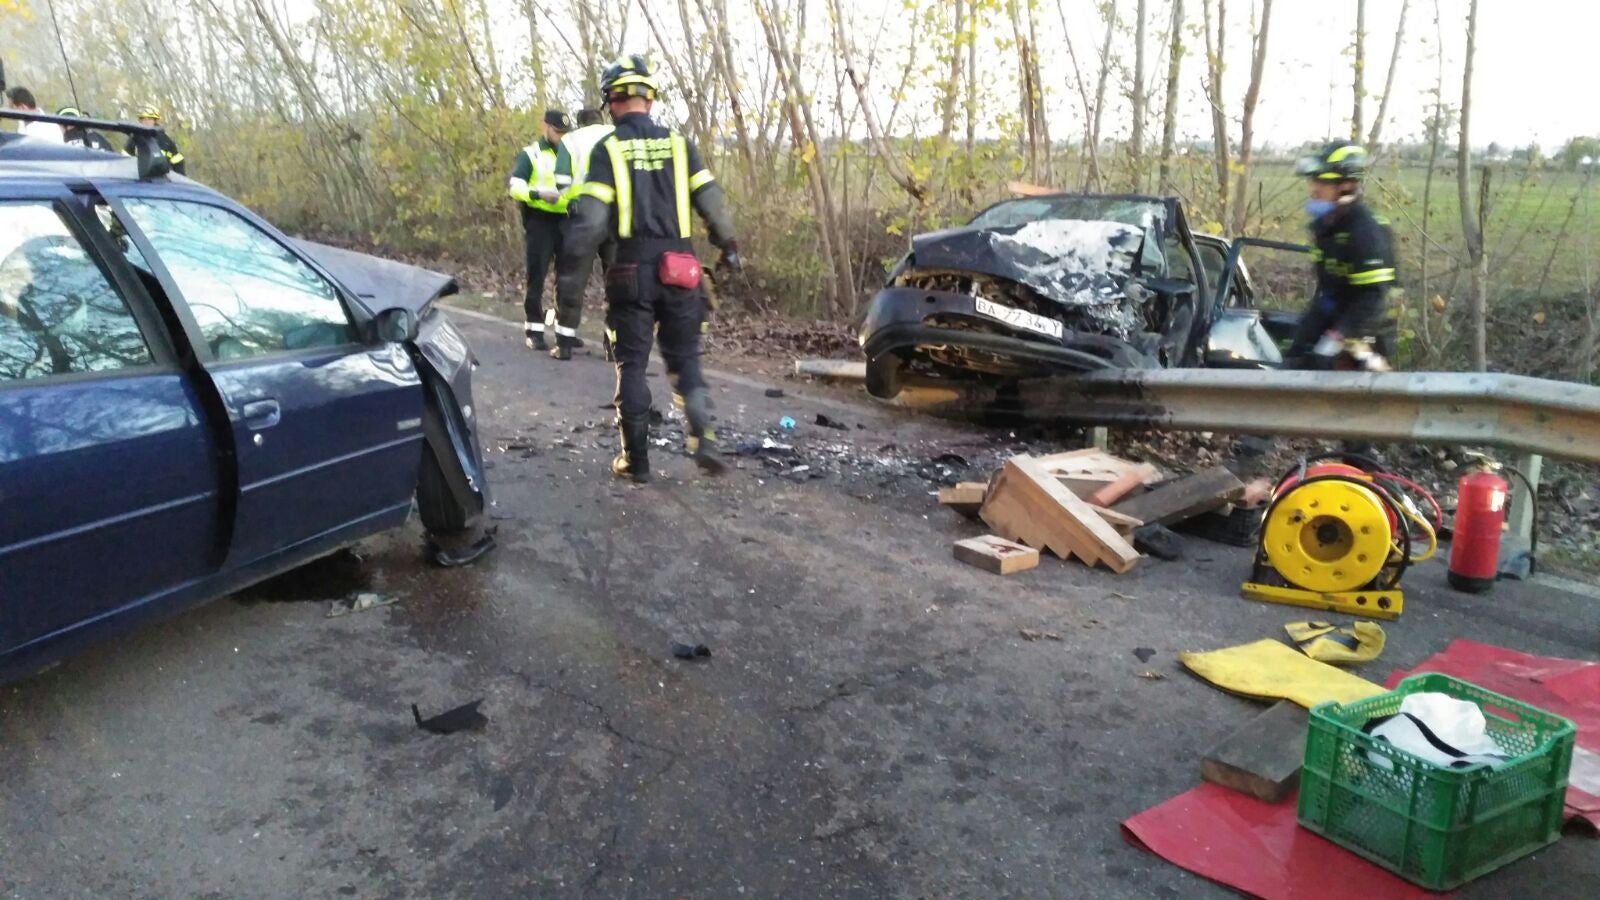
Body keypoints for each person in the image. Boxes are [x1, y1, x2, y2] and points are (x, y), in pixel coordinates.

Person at [556, 55, 743, 483]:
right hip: (681, 269)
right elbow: (711, 200)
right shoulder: (680, 145)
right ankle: (704, 441)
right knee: (685, 360)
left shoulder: (609, 149)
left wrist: (571, 278)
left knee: (632, 364)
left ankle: (635, 461)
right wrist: (728, 245)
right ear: (650, 99)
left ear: (611, 102)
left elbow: (589, 223)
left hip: (631, 270)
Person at [1289, 140, 1396, 371]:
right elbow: (1331, 293)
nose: (1314, 189)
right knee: (1296, 358)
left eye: (1323, 182)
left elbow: (1373, 299)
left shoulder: (1365, 230)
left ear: (1346, 185)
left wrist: (1339, 336)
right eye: (1313, 180)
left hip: (1366, 334)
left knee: (1328, 368)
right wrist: (1306, 333)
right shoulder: (1326, 227)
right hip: (1335, 318)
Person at [545, 107, 616, 360]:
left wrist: (572, 195)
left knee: (571, 279)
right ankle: (613, 346)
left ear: (579, 122)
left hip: (583, 215)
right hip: (616, 214)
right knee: (617, 281)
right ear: (601, 119)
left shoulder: (571, 140)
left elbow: (562, 181)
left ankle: (564, 344)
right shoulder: (617, 134)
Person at [507, 109, 573, 351]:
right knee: (537, 276)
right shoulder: (531, 154)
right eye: (557, 131)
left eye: (565, 132)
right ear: (545, 127)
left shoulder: (571, 155)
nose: (561, 136)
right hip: (540, 221)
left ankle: (563, 330)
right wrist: (538, 194)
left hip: (566, 221)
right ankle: (534, 329)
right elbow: (515, 187)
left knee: (566, 279)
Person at [123, 105, 186, 174]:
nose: (146, 122)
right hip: (139, 178)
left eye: (149, 119)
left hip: (161, 179)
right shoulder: (134, 138)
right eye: (144, 119)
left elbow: (177, 161)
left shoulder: (165, 140)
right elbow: (124, 160)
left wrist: (180, 179)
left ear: (155, 121)